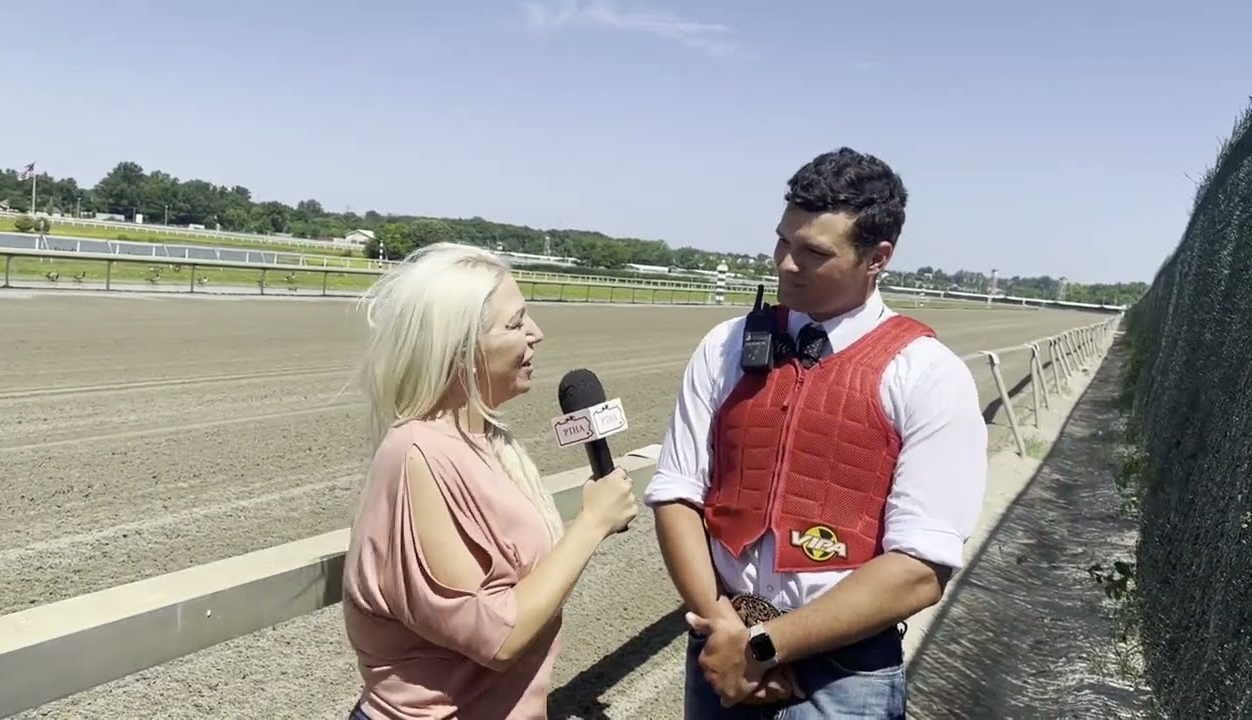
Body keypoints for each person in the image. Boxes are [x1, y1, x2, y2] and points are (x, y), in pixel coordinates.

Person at [646, 148, 989, 718]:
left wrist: (764, 647)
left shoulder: (928, 373)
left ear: (878, 257)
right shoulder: (725, 344)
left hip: (842, 676)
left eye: (813, 253)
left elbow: (921, 567)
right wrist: (727, 631)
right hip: (720, 645)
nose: (785, 264)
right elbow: (677, 491)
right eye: (782, 241)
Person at [341, 242, 639, 720]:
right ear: (461, 348)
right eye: (516, 323)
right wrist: (591, 523)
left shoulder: (488, 442)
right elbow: (497, 636)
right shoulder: (418, 455)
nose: (536, 335)